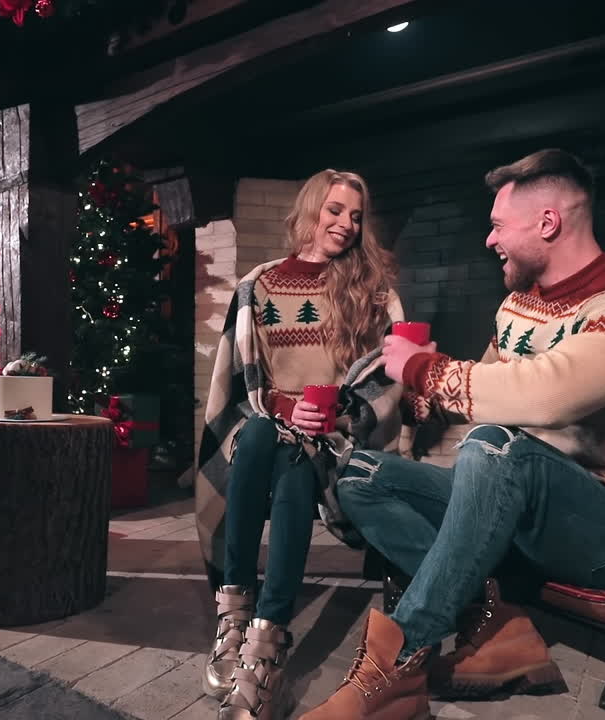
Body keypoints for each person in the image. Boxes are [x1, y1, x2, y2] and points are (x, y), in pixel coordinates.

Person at [301, 149, 605, 720]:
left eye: (498, 225)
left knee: (493, 444)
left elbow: (546, 395)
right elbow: (488, 391)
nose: (489, 240)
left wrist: (421, 368)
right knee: (357, 474)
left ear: (548, 223)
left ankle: (399, 663)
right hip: (519, 513)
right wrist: (422, 395)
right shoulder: (517, 307)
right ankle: (496, 626)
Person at [194, 169, 407, 720]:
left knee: (292, 451)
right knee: (270, 435)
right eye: (335, 210)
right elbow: (239, 383)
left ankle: (246, 628)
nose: (346, 224)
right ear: (311, 210)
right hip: (264, 424)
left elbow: (388, 374)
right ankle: (258, 634)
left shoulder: (371, 290)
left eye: (356, 216)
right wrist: (284, 408)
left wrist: (334, 410)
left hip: (337, 435)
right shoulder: (258, 286)